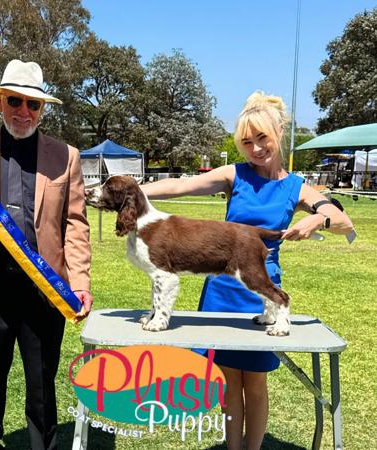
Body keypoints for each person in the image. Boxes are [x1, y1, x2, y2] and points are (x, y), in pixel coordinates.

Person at [141, 91, 354, 450]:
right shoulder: (234, 175)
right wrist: (134, 189)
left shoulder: (297, 187)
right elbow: (179, 186)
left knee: (255, 383)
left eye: (262, 138)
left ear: (279, 133)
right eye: (246, 142)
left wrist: (318, 218)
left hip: (259, 294)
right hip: (221, 292)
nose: (255, 149)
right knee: (226, 383)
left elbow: (342, 219)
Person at [0, 59, 93, 450]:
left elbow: (76, 224)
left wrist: (80, 283)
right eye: (14, 101)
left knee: (42, 383)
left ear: (42, 108)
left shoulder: (66, 155)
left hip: (45, 290)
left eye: (33, 104)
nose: (23, 111)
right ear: (0, 102)